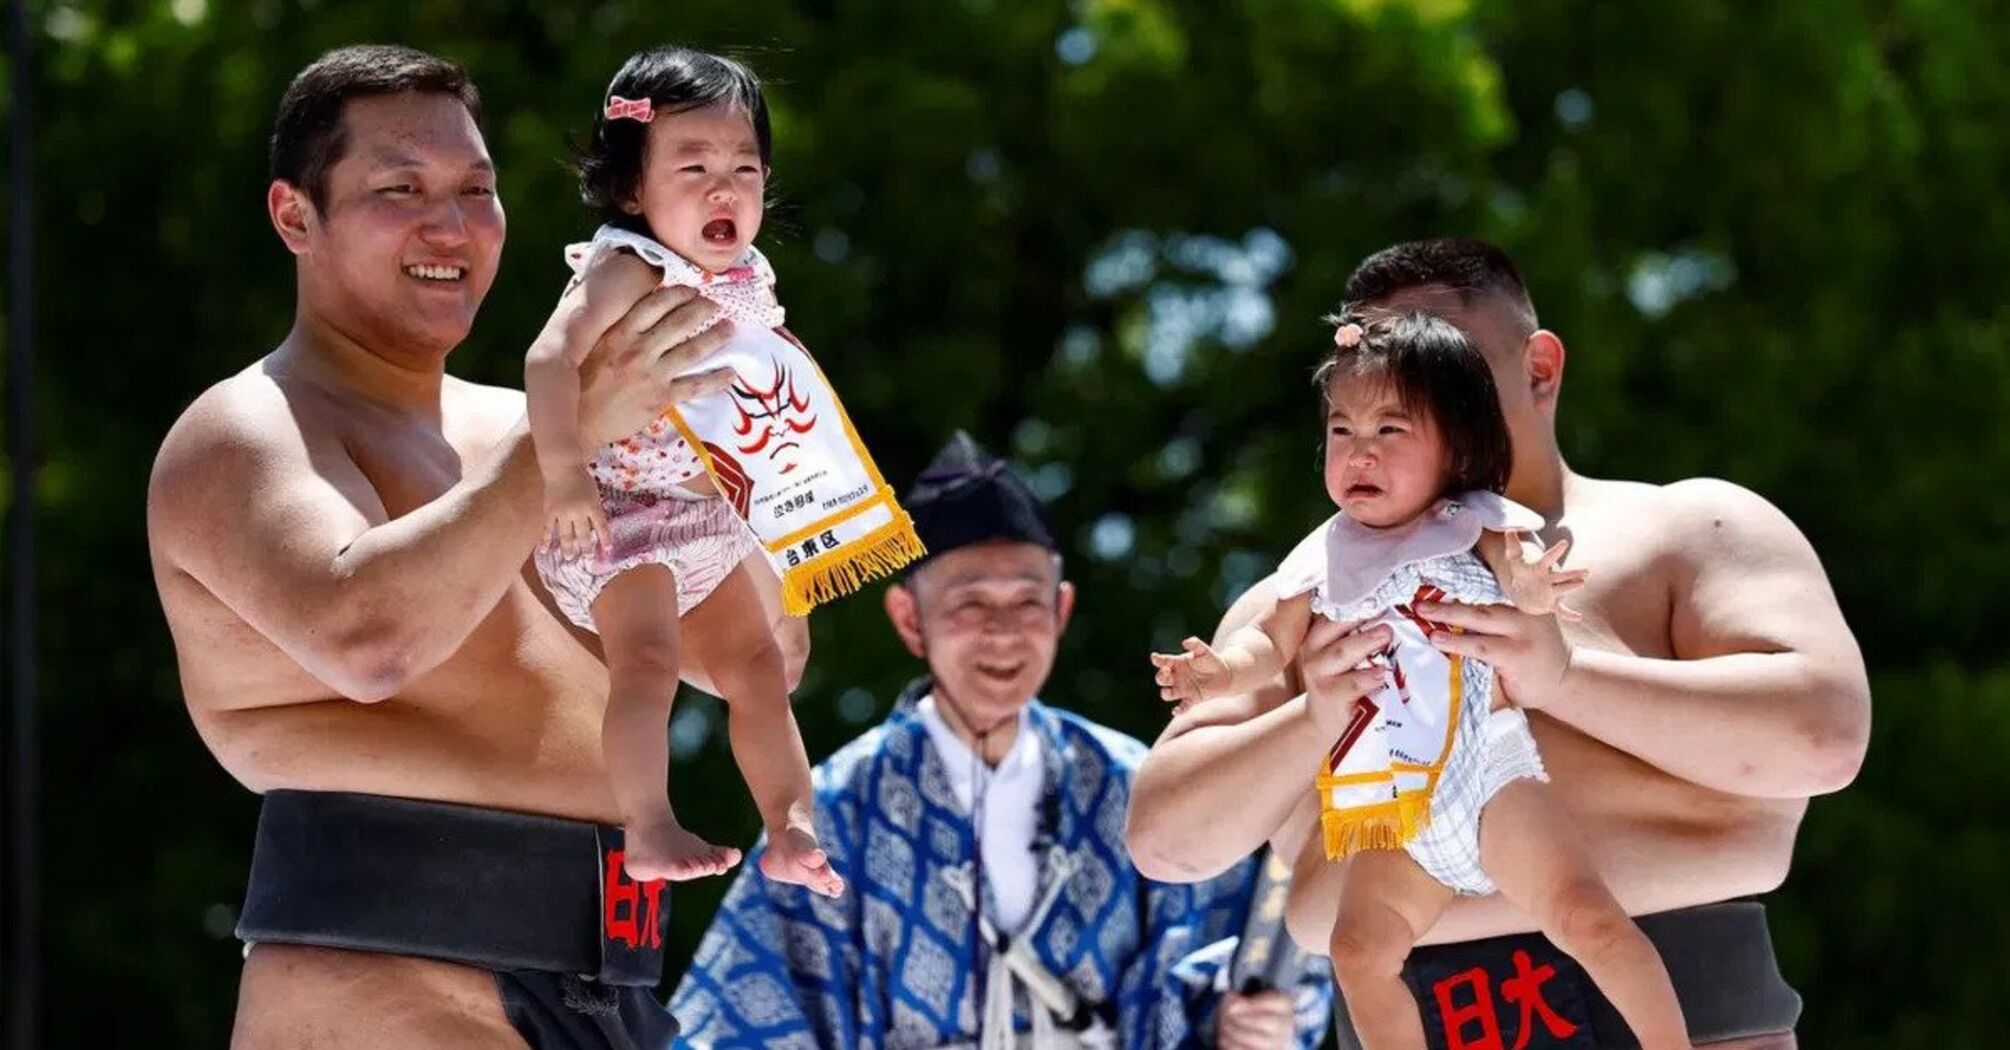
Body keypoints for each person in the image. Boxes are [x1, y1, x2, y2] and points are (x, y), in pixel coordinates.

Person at [145, 45, 798, 1048]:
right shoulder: (245, 430)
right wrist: (568, 432)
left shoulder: (548, 432)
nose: (449, 226)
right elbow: (369, 641)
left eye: (476, 189)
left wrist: (728, 440)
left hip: (616, 980)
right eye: (399, 188)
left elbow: (761, 657)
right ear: (294, 215)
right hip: (386, 979)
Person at [1125, 239, 1870, 1050]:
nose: (1410, 390)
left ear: (1539, 370)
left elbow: (1823, 738)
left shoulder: (1686, 529)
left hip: (1688, 1011)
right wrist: (1312, 718)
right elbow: (1168, 841)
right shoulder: (1309, 594)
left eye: (1443, 366)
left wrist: (1563, 678)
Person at [668, 434, 1333, 1049]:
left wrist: (1245, 1018)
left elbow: (1263, 950)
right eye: (970, 604)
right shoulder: (835, 812)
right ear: (909, 616)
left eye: (1026, 602)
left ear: (1061, 609)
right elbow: (735, 1021)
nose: (1003, 632)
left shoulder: (1136, 784)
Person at [1151, 312, 1686, 1050]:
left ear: (1454, 447)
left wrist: (1531, 586)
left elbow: (1522, 580)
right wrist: (1218, 677)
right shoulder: (1318, 558)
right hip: (1389, 799)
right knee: (1357, 954)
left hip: (1488, 773)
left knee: (1588, 920)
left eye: (1390, 432)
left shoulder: (1477, 521)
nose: (1359, 453)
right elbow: (1269, 646)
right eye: (1342, 432)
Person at [527, 45, 877, 893]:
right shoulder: (625, 265)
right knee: (645, 662)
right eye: (694, 166)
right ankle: (647, 825)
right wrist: (565, 475)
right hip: (614, 513)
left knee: (759, 669)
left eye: (744, 168)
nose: (725, 188)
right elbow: (547, 362)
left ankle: (791, 830)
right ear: (632, 190)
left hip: (708, 516)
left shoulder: (749, 275)